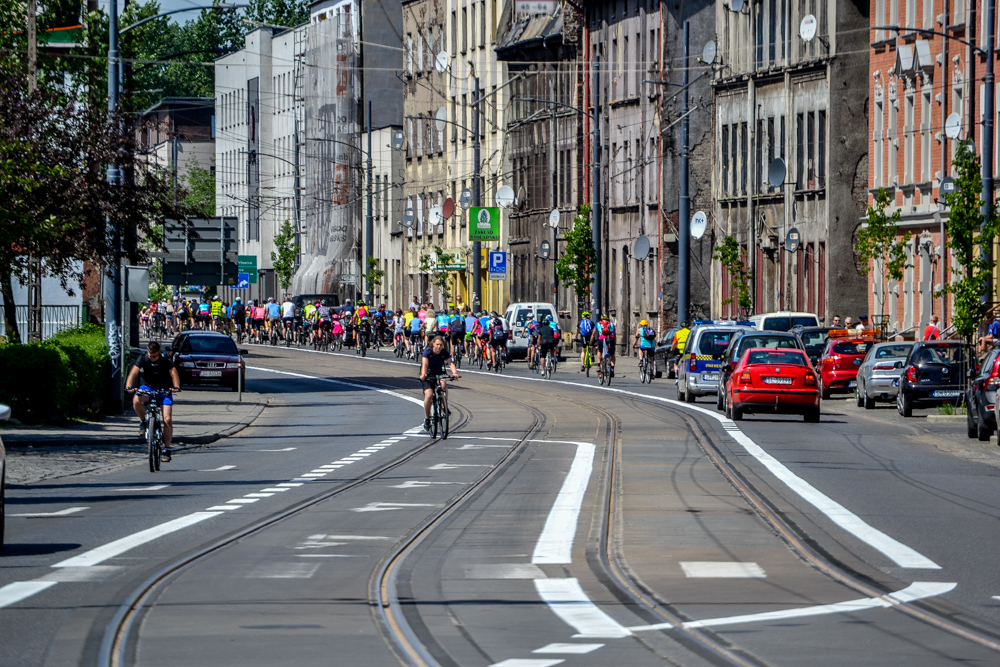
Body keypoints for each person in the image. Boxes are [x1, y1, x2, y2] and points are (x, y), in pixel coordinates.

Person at [125, 341, 181, 462]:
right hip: (148, 387)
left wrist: (176, 386)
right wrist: (129, 386)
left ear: (159, 352)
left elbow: (173, 372)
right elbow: (134, 372)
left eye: (155, 356)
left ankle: (167, 449)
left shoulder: (165, 359)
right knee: (136, 400)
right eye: (151, 356)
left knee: (167, 419)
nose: (152, 358)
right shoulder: (143, 357)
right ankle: (143, 421)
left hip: (164, 389)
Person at [419, 335, 460, 431]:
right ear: (433, 344)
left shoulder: (444, 352)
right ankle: (427, 418)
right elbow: (424, 364)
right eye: (437, 344)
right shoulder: (428, 351)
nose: (439, 347)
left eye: (441, 345)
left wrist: (454, 373)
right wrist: (423, 374)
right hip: (428, 374)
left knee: (444, 385)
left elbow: (450, 363)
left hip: (439, 373)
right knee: (429, 395)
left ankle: (444, 405)